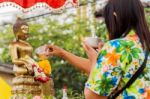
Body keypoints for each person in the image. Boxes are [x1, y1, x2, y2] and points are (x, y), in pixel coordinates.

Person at [46, 0, 150, 99]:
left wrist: (96, 61)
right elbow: (103, 71)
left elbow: (92, 96)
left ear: (115, 15)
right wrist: (62, 53)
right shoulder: (143, 44)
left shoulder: (116, 46)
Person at [9, 18, 49, 98]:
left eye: (27, 29)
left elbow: (30, 58)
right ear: (17, 31)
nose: (26, 31)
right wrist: (25, 63)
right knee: (28, 71)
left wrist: (34, 65)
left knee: (39, 71)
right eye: (24, 29)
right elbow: (14, 60)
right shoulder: (14, 44)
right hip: (20, 67)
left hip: (31, 65)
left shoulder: (28, 45)